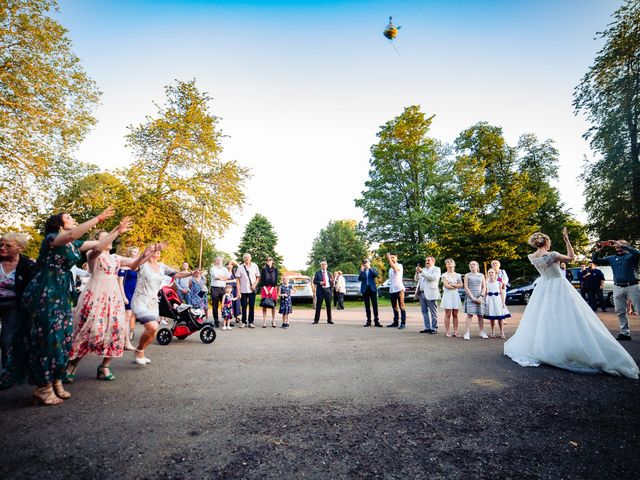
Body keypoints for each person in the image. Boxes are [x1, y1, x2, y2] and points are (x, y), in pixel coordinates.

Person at [1, 207, 116, 404]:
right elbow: (71, 234)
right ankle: (43, 387)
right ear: (58, 224)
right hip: (44, 292)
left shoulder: (73, 245)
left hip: (60, 294)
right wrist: (98, 218)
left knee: (62, 338)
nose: (72, 218)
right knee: (47, 339)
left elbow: (99, 244)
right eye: (68, 217)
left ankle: (56, 381)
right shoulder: (52, 239)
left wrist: (117, 231)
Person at [504, 230, 638, 378]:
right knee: (571, 316)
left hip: (543, 287)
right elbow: (572, 258)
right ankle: (566, 347)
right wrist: (567, 240)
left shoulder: (532, 257)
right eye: (549, 242)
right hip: (558, 285)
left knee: (545, 318)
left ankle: (549, 346)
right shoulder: (553, 255)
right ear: (546, 242)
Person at [66, 223, 157, 383]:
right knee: (90, 330)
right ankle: (72, 365)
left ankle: (105, 366)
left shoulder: (116, 258)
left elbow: (134, 264)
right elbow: (97, 250)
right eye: (107, 237)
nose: (111, 239)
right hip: (96, 296)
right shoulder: (92, 254)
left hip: (113, 298)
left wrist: (147, 254)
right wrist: (117, 230)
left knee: (116, 331)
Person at [130, 247, 191, 365]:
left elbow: (177, 274)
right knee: (152, 327)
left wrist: (191, 273)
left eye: (159, 249)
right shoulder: (142, 264)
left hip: (153, 301)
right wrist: (142, 256)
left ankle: (140, 350)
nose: (158, 251)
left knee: (153, 332)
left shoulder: (162, 266)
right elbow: (133, 267)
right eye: (154, 249)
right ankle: (139, 350)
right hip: (140, 299)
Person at [0, 233, 36, 370]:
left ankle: (7, 371)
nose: (3, 247)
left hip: (13, 306)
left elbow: (31, 291)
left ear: (20, 248)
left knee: (7, 340)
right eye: (1, 244)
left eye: (8, 245)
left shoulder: (28, 266)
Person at [592, 239, 640, 341]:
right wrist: (598, 250)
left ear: (627, 246)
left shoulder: (631, 256)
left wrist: (622, 246)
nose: (617, 245)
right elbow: (596, 261)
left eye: (621, 244)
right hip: (617, 287)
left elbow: (638, 253)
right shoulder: (612, 258)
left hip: (633, 286)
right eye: (616, 244)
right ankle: (625, 333)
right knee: (620, 311)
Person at [117, 246, 140, 350]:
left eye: (137, 252)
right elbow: (120, 282)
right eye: (134, 251)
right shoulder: (124, 266)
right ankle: (125, 342)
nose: (135, 253)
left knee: (129, 317)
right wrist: (123, 296)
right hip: (126, 292)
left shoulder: (139, 266)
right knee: (127, 316)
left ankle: (124, 340)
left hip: (134, 292)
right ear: (130, 253)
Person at [416, 256, 441, 334]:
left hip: (431, 293)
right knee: (424, 312)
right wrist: (417, 272)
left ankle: (434, 328)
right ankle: (427, 327)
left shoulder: (436, 269)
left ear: (433, 261)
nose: (427, 261)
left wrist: (422, 272)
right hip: (421, 293)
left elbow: (433, 278)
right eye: (426, 260)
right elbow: (417, 279)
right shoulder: (423, 269)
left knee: (433, 312)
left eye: (429, 260)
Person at [463, 261, 487, 340]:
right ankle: (467, 333)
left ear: (477, 266)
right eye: (470, 265)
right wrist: (472, 297)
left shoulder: (481, 275)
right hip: (470, 296)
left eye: (473, 264)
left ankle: (482, 332)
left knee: (480, 315)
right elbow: (466, 287)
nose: (472, 266)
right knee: (469, 315)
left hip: (480, 296)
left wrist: (481, 296)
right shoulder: (467, 275)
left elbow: (484, 287)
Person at [235, 253, 260, 328]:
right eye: (245, 257)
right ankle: (244, 322)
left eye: (248, 257)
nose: (247, 258)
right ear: (243, 259)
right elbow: (238, 280)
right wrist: (238, 291)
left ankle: (251, 322)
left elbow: (258, 277)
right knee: (244, 306)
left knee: (251, 306)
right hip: (243, 290)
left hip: (252, 290)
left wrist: (254, 285)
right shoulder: (240, 267)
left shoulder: (255, 265)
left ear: (250, 258)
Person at [440, 258, 463, 338]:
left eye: (451, 262)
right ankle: (447, 331)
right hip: (447, 295)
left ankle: (456, 331)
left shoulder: (458, 275)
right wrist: (455, 285)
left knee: (455, 314)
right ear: (446, 265)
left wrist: (452, 284)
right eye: (447, 262)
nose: (449, 263)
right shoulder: (444, 275)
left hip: (455, 295)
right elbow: (446, 285)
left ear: (454, 264)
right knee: (448, 314)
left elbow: (461, 285)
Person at [484, 268, 507, 338]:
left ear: (495, 274)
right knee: (492, 317)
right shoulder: (486, 283)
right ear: (487, 274)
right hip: (490, 300)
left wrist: (503, 303)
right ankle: (493, 331)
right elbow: (485, 293)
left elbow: (502, 293)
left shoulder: (498, 282)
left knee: (500, 317)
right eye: (489, 273)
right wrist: (484, 301)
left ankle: (502, 332)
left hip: (497, 300)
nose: (491, 274)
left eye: (492, 272)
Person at [359, 259, 381, 327]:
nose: (365, 263)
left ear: (369, 263)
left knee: (375, 305)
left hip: (372, 289)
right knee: (367, 306)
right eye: (364, 262)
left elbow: (376, 275)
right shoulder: (362, 270)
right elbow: (359, 279)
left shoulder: (373, 269)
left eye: (367, 262)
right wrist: (362, 271)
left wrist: (369, 268)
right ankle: (368, 321)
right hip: (365, 289)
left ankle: (376, 321)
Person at [386, 253, 406, 329]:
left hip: (399, 289)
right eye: (390, 257)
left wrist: (389, 259)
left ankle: (403, 323)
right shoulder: (390, 269)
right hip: (392, 289)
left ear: (397, 258)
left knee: (402, 306)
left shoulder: (399, 265)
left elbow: (395, 268)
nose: (391, 259)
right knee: (394, 307)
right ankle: (395, 322)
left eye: (393, 257)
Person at [209, 256, 229, 328]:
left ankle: (226, 321)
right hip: (215, 288)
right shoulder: (212, 268)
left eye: (220, 260)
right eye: (217, 260)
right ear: (215, 261)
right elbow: (216, 277)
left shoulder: (225, 269)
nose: (218, 261)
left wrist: (221, 278)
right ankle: (216, 321)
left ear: (222, 261)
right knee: (215, 306)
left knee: (225, 305)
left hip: (223, 289)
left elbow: (228, 277)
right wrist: (223, 278)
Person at [260, 257, 279, 328]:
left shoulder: (276, 270)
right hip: (265, 288)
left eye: (270, 260)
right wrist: (265, 289)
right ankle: (264, 321)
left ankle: (273, 320)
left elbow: (276, 280)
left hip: (273, 288)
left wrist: (271, 290)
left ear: (272, 261)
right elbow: (262, 281)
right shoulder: (263, 269)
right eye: (267, 260)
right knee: (264, 305)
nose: (269, 261)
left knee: (273, 305)